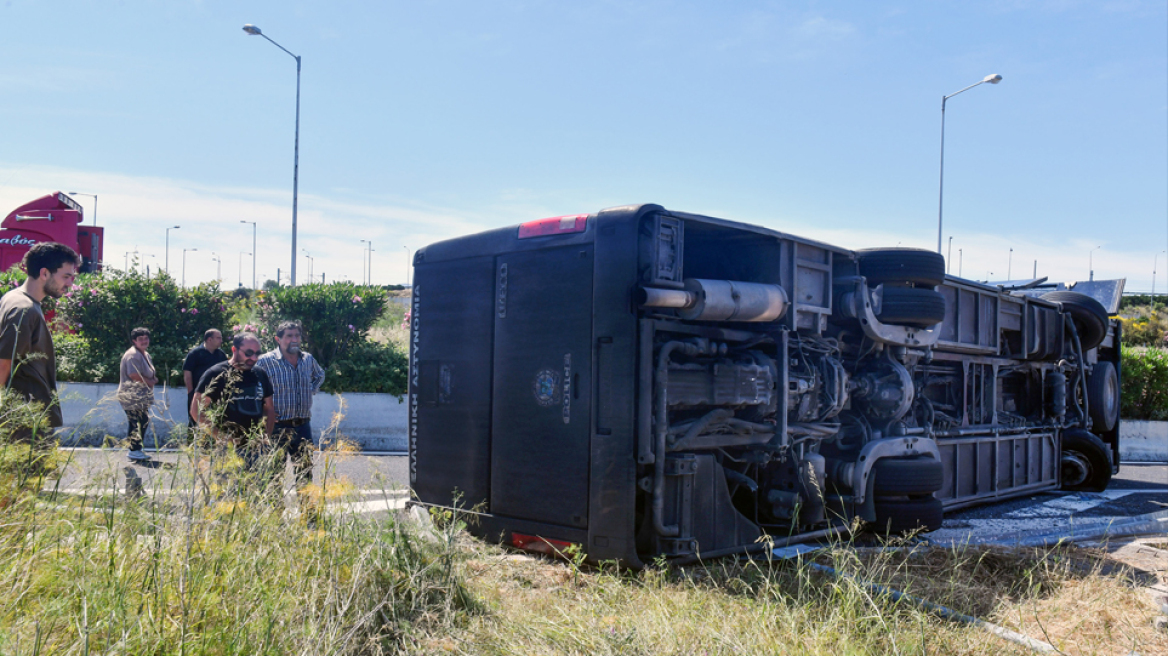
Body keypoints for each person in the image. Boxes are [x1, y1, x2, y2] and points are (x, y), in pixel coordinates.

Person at [0, 242, 79, 445]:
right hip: (23, 421)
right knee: (30, 477)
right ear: (44, 273)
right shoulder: (24, 308)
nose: (70, 283)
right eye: (66, 276)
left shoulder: (14, 298)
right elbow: (3, 364)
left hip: (25, 416)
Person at [254, 321, 325, 510]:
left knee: (305, 472)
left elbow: (320, 375)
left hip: (302, 425)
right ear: (278, 339)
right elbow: (253, 386)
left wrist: (310, 390)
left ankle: (308, 515)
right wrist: (262, 409)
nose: (294, 340)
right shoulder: (265, 361)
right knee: (274, 474)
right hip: (277, 427)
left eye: (297, 335)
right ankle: (276, 517)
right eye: (289, 336)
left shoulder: (307, 359)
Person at [191, 333, 275, 482]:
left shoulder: (260, 374)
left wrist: (266, 437)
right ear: (234, 349)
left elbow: (269, 407)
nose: (254, 358)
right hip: (228, 450)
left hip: (257, 448)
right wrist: (221, 437)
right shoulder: (216, 374)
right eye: (249, 353)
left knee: (257, 496)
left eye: (257, 353)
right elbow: (196, 411)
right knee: (227, 499)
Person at [117, 327, 157, 461]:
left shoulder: (145, 354)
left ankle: (136, 449)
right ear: (134, 341)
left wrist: (152, 380)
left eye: (146, 338)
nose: (144, 341)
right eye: (141, 339)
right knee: (135, 423)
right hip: (131, 396)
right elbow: (133, 374)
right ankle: (133, 450)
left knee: (143, 421)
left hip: (141, 396)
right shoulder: (132, 355)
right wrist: (150, 382)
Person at [182, 329, 227, 428]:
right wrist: (190, 392)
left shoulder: (221, 355)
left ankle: (209, 443)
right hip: (198, 394)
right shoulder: (195, 353)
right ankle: (191, 442)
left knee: (214, 422)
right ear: (209, 339)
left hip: (216, 395)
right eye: (218, 338)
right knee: (195, 421)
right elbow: (187, 372)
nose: (221, 340)